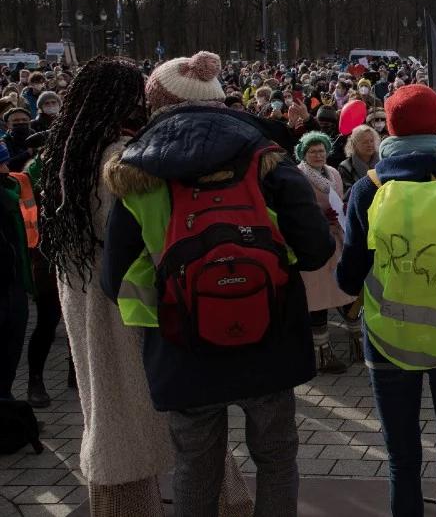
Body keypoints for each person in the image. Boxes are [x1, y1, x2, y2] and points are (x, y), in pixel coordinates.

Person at [102, 51, 335, 517]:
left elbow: (113, 279)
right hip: (270, 336)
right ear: (219, 99)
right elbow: (316, 250)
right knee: (276, 461)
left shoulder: (136, 172)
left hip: (182, 341)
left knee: (195, 466)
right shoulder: (268, 158)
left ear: (154, 104)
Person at [336, 84, 436, 517]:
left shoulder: (367, 189)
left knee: (402, 457)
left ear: (389, 130)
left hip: (389, 336)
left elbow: (349, 275)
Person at [296, 131, 357, 373]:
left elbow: (339, 198)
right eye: (312, 151)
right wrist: (321, 220)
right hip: (314, 243)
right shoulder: (299, 175)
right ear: (304, 153)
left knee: (345, 290)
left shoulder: (332, 172)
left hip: (337, 239)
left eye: (321, 150)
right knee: (318, 296)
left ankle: (358, 343)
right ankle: (322, 354)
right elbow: (298, 210)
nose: (318, 155)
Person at [0, 140, 33, 401]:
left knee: (11, 351)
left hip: (15, 284)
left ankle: (7, 407)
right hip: (5, 286)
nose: (6, 167)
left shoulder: (11, 189)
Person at [337, 124, 380, 192]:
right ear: (354, 145)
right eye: (365, 142)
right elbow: (348, 193)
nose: (370, 145)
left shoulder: (381, 162)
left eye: (371, 141)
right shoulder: (346, 167)